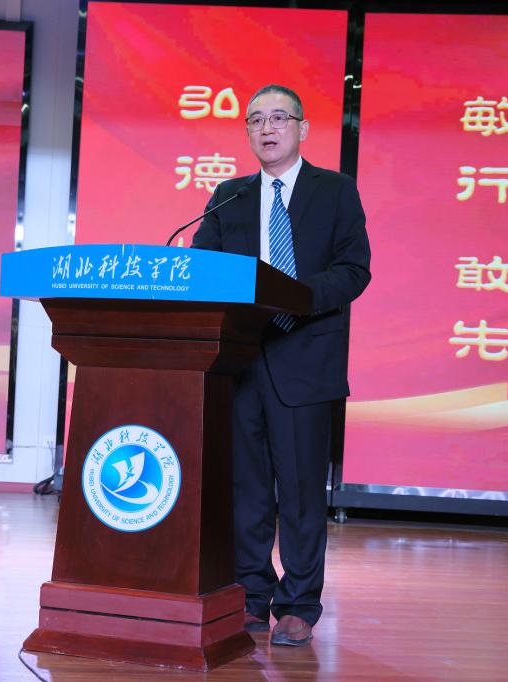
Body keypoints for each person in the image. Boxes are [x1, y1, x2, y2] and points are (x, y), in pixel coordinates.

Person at [191, 84, 371, 646]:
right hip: (241, 360)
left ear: (302, 128)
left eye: (278, 118)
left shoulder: (335, 191)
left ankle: (298, 604)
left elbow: (354, 269)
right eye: (255, 120)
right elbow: (201, 266)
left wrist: (293, 298)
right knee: (246, 490)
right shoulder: (230, 196)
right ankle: (250, 595)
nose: (266, 129)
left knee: (299, 491)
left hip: (305, 360)